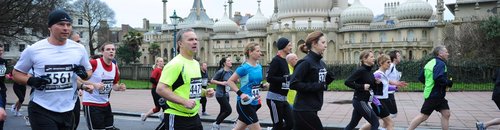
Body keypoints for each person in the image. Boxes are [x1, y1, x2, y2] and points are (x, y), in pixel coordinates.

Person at [12, 9, 93, 130]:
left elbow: (89, 71)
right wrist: (31, 81)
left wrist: (84, 75)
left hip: (68, 108)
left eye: (68, 25)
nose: (66, 28)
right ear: (50, 27)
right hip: (41, 108)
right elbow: (16, 73)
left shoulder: (79, 49)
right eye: (61, 24)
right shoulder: (34, 49)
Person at [155, 28, 215, 130]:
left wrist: (205, 92)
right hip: (177, 116)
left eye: (196, 39)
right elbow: (160, 89)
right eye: (190, 40)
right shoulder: (175, 64)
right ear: (180, 44)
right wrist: (184, 102)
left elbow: (190, 88)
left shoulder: (196, 64)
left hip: (194, 116)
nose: (195, 42)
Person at [289, 31, 334, 130]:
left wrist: (329, 79)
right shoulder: (305, 62)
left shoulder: (321, 63)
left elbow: (322, 83)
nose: (325, 46)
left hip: (313, 107)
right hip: (303, 109)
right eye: (323, 43)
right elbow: (293, 84)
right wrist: (318, 86)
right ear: (314, 43)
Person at [81, 43, 125, 130]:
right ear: (102, 52)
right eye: (108, 49)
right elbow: (78, 78)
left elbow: (114, 85)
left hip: (106, 104)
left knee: (110, 128)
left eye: (113, 49)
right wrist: (94, 85)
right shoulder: (94, 63)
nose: (111, 51)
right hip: (92, 104)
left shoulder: (114, 67)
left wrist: (119, 87)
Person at [408, 45, 453, 130]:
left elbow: (421, 77)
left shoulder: (431, 62)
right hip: (434, 95)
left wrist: (429, 84)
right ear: (440, 53)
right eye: (446, 52)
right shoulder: (440, 64)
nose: (448, 54)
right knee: (423, 116)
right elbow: (438, 77)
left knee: (446, 113)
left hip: (436, 94)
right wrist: (448, 82)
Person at [227, 43, 265, 130]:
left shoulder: (259, 67)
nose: (260, 53)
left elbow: (255, 83)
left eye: (260, 51)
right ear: (250, 52)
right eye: (258, 51)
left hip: (255, 102)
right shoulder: (244, 68)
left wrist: (262, 85)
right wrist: (241, 94)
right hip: (245, 103)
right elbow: (230, 81)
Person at [344, 51, 382, 130]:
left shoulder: (369, 71)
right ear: (364, 59)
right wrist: (362, 86)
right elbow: (347, 82)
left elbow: (371, 87)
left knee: (353, 124)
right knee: (375, 123)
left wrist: (376, 82)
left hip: (363, 101)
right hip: (360, 101)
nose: (374, 58)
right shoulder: (361, 70)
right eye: (371, 57)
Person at [266, 37, 294, 130]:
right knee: (278, 125)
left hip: (283, 99)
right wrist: (285, 79)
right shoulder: (276, 60)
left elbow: (286, 78)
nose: (291, 47)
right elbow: (269, 78)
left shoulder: (284, 60)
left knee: (291, 123)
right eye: (289, 45)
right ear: (283, 47)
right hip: (274, 99)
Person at [359, 54, 394, 130]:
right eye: (388, 62)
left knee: (372, 122)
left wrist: (396, 87)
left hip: (382, 101)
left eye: (390, 62)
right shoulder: (377, 74)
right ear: (381, 63)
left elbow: (384, 88)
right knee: (390, 122)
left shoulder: (383, 74)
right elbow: (370, 88)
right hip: (379, 102)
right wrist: (376, 101)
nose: (390, 64)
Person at [210, 57, 234, 130]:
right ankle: (216, 124)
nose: (231, 62)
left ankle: (215, 126)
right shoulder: (221, 71)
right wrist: (222, 83)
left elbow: (233, 81)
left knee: (223, 111)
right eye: (229, 61)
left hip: (226, 94)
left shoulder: (230, 72)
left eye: (230, 60)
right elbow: (212, 81)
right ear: (224, 63)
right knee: (228, 110)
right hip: (220, 94)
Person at [141, 57, 166, 121]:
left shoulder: (162, 70)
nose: (162, 62)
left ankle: (144, 116)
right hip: (156, 91)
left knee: (158, 108)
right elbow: (152, 79)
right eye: (160, 61)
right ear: (157, 63)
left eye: (162, 61)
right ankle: (163, 117)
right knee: (165, 106)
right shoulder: (157, 70)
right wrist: (159, 84)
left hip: (160, 90)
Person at [385, 50, 408, 118]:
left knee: (389, 114)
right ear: (394, 58)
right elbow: (383, 77)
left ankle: (382, 125)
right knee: (392, 114)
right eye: (398, 56)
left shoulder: (393, 66)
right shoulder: (391, 66)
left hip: (390, 92)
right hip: (387, 93)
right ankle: (373, 122)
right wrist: (395, 83)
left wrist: (398, 83)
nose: (400, 57)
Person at [70, 32, 83, 130]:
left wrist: (82, 86)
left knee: (75, 123)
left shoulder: (79, 57)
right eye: (77, 41)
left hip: (73, 97)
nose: (80, 44)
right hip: (54, 100)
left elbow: (78, 77)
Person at [0, 44, 7, 129]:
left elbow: (5, 73)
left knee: (2, 112)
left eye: (1, 50)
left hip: (2, 89)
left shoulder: (3, 61)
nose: (0, 52)